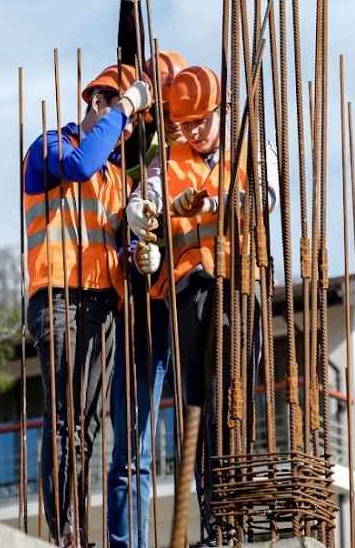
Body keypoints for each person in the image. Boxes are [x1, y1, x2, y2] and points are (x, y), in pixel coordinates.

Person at [125, 64, 275, 545]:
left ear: (223, 112)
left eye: (199, 122)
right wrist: (141, 211)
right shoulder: (168, 160)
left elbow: (263, 200)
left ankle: (236, 520)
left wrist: (207, 205)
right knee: (198, 411)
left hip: (236, 284)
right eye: (184, 123)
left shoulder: (253, 149)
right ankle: (215, 525)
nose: (191, 131)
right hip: (188, 290)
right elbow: (143, 198)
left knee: (228, 405)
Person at [23, 62, 151, 548]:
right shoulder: (51, 145)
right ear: (95, 102)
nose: (126, 128)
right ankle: (66, 533)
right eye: (118, 111)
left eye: (131, 122)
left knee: (89, 422)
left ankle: (76, 527)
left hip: (104, 309)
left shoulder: (118, 179)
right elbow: (80, 166)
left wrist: (140, 252)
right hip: (58, 300)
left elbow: (120, 247)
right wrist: (123, 109)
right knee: (66, 417)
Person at [106, 0, 183, 548]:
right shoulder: (137, 148)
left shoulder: (199, 158)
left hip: (187, 299)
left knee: (199, 430)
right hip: (140, 301)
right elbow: (131, 66)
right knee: (130, 441)